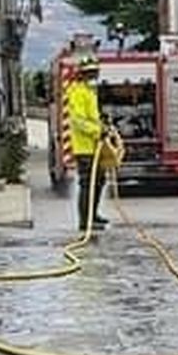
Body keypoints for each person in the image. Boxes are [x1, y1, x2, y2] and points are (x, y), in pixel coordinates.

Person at [64, 55, 109, 233]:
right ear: (82, 74)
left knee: (99, 181)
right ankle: (85, 221)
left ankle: (93, 215)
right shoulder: (77, 92)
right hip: (84, 148)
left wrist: (103, 124)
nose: (94, 76)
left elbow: (91, 117)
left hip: (94, 146)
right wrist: (97, 131)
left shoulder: (90, 92)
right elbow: (78, 121)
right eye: (90, 73)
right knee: (87, 183)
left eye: (95, 73)